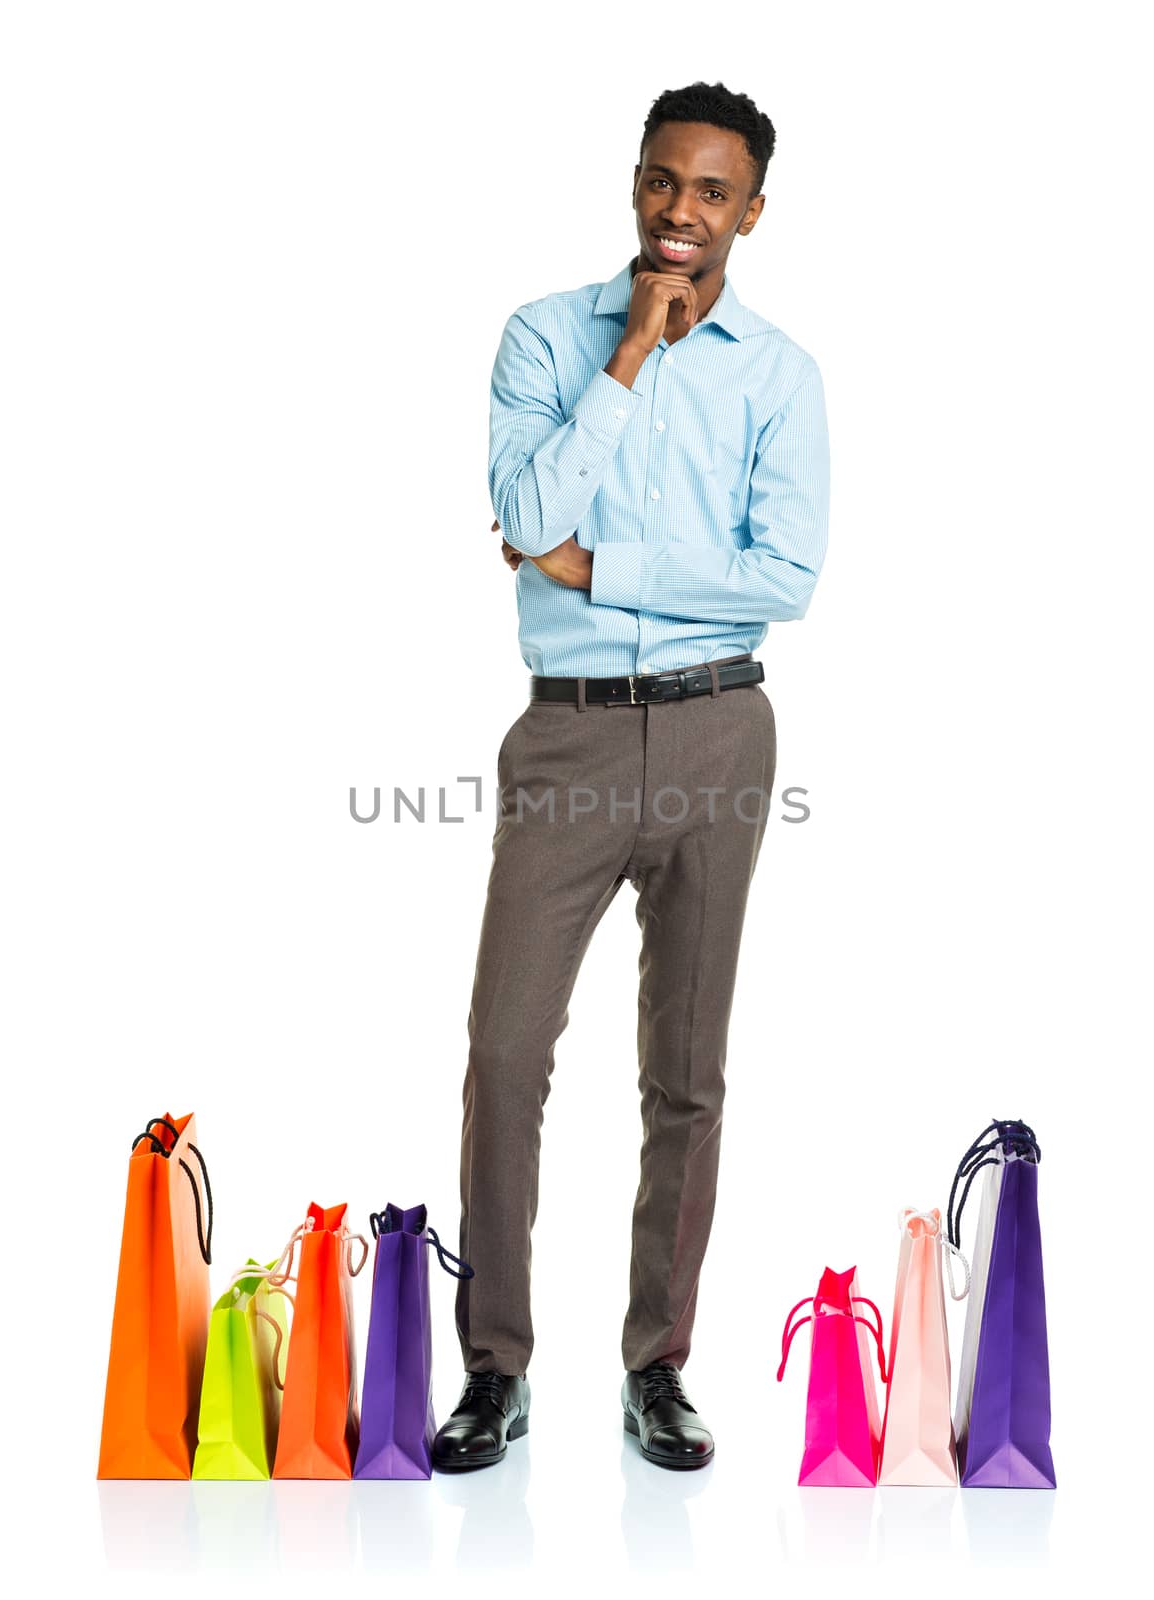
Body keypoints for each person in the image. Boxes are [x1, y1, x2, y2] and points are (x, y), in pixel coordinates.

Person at [431, 80, 830, 1473]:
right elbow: (528, 509)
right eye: (664, 181)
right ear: (636, 182)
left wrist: (601, 570)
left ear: (751, 211)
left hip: (722, 731)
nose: (680, 211)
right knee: (503, 1051)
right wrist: (630, 363)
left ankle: (656, 1366)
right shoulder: (545, 337)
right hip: (570, 734)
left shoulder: (779, 374)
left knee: (686, 1071)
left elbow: (783, 580)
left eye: (711, 192)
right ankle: (496, 1369)